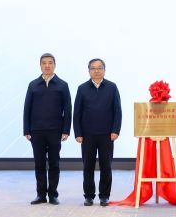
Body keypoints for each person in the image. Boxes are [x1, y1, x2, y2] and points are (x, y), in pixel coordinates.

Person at [23, 53, 72, 205]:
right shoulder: (33, 85)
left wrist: (66, 130)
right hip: (36, 131)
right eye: (44, 63)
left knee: (54, 164)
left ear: (54, 65)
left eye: (50, 63)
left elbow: (68, 109)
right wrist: (26, 130)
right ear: (40, 66)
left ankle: (53, 195)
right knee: (39, 164)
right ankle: (41, 195)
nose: (47, 65)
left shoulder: (62, 85)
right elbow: (27, 108)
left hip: (55, 131)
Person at [73, 58, 122, 207]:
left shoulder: (112, 87)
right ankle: (88, 196)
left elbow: (117, 111)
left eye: (100, 68)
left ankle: (104, 196)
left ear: (104, 70)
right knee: (88, 166)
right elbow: (77, 113)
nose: (97, 70)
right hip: (87, 135)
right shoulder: (82, 88)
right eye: (93, 68)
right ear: (89, 71)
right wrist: (78, 133)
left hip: (107, 134)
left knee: (106, 166)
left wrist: (115, 130)